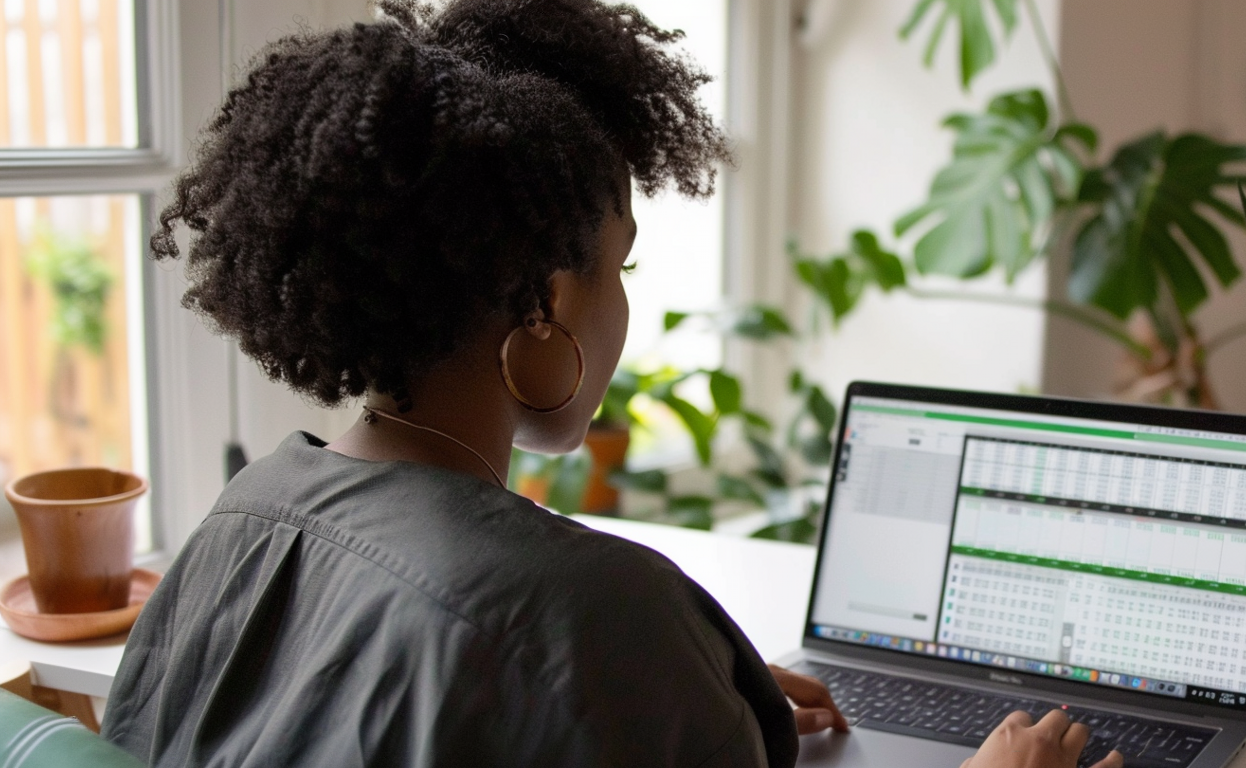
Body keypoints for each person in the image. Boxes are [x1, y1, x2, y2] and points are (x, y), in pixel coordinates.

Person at [100, 1, 1122, 766]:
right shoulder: (594, 608)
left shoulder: (241, 521)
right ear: (546, 304)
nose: (622, 302)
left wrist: (659, 695)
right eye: (618, 266)